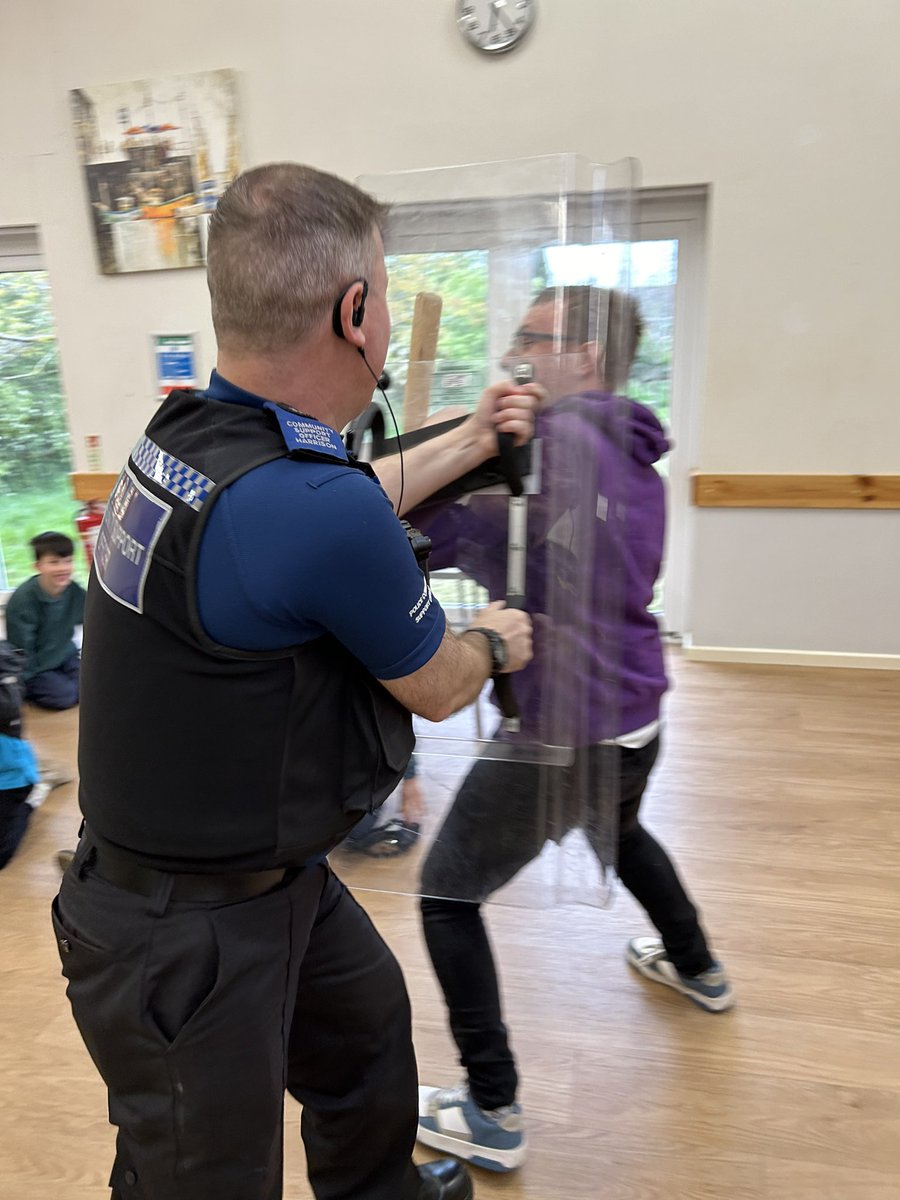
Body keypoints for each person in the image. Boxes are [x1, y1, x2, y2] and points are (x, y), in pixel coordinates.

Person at [51, 162, 537, 1200]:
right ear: (354, 311)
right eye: (387, 296)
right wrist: (496, 640)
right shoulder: (305, 510)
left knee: (365, 1037)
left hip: (258, 883)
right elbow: (442, 683)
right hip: (177, 935)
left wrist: (473, 438)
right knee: (199, 1180)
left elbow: (335, 507)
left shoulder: (185, 433)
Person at [412, 285, 733, 1174]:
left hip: (563, 728)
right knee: (618, 827)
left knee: (446, 896)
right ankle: (698, 965)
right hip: (638, 716)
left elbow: (448, 538)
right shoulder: (636, 454)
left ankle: (492, 1107)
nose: (514, 352)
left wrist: (416, 482)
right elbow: (557, 559)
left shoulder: (549, 448)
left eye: (529, 337)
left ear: (585, 356)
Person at [5, 531, 85, 710]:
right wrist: (26, 677)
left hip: (64, 656)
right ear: (38, 566)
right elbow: (22, 651)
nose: (63, 568)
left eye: (68, 561)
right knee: (64, 696)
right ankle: (27, 690)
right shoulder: (24, 600)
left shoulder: (74, 591)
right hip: (36, 667)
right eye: (54, 562)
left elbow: (92, 615)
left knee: (93, 684)